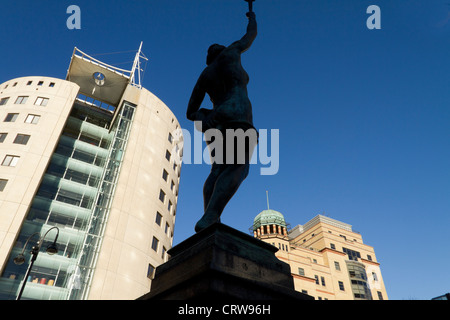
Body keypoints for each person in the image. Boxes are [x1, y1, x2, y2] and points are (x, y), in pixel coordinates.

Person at [187, 11, 258, 232]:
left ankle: (209, 217)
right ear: (221, 51)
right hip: (237, 116)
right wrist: (252, 17)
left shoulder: (205, 75)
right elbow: (251, 36)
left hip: (216, 122)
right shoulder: (232, 52)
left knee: (217, 170)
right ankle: (211, 216)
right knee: (239, 167)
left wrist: (205, 116)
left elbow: (190, 112)